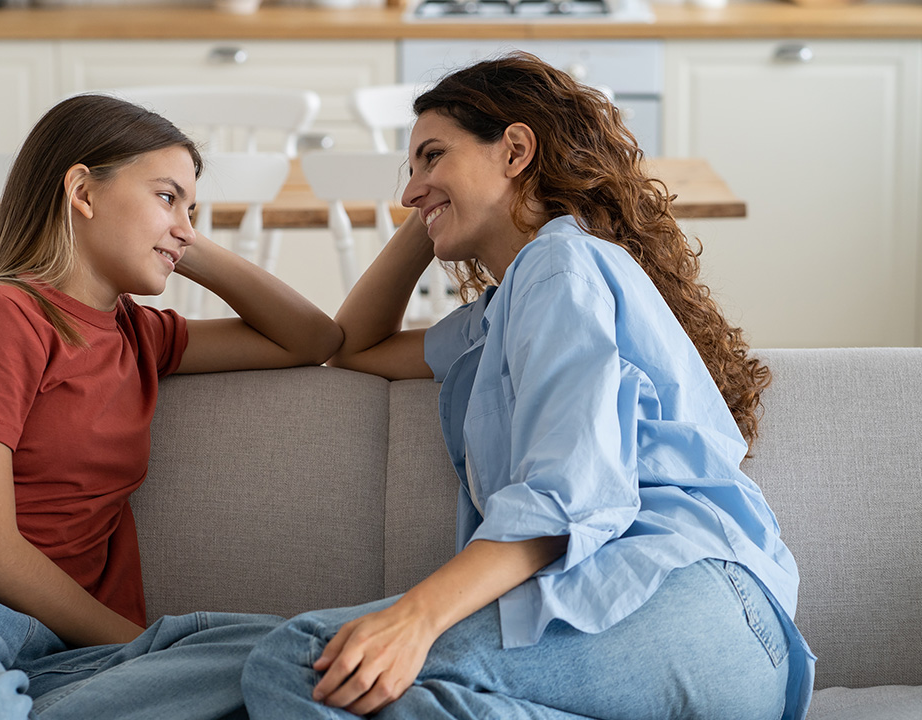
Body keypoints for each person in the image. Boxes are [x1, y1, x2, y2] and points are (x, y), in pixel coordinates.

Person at [241, 52, 815, 720]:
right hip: (710, 638)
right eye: (411, 169)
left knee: (304, 657)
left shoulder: (560, 266)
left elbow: (568, 495)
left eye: (431, 156)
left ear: (515, 149)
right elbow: (355, 344)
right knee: (389, 692)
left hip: (681, 598)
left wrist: (416, 619)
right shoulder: (506, 308)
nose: (409, 189)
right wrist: (435, 208)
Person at [0, 93, 342, 720]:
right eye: (167, 196)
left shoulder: (141, 335)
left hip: (57, 649)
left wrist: (181, 239)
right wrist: (138, 647)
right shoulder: (0, 314)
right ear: (82, 190)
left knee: (299, 657)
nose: (186, 222)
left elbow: (313, 339)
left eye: (193, 206)